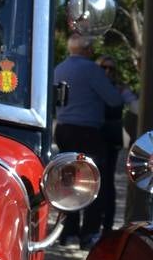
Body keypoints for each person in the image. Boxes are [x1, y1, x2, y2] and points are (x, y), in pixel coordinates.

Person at [53, 36, 134, 248]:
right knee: (93, 182)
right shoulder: (91, 69)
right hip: (87, 132)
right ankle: (88, 233)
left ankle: (67, 232)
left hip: (62, 130)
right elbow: (114, 100)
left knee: (68, 181)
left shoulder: (58, 68)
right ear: (87, 49)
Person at [96, 55, 138, 233]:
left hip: (111, 136)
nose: (107, 72)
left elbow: (136, 107)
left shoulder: (120, 89)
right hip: (93, 135)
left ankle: (107, 225)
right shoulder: (93, 86)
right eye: (103, 68)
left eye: (111, 69)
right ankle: (87, 226)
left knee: (107, 181)